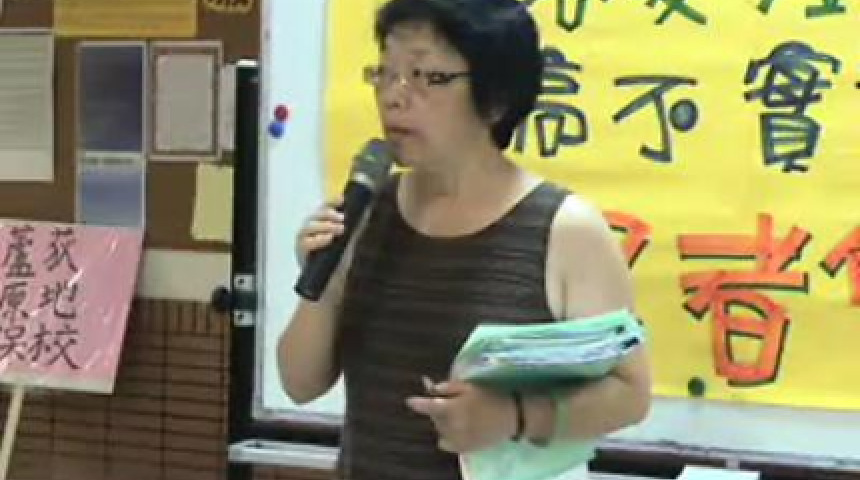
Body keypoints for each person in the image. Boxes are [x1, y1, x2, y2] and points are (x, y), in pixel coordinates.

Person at [277, 0, 652, 479]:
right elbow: (300, 384)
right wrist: (325, 279)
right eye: (385, 73)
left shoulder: (565, 230)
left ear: (496, 98)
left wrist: (513, 417)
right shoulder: (368, 212)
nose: (394, 96)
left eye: (427, 76)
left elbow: (629, 393)